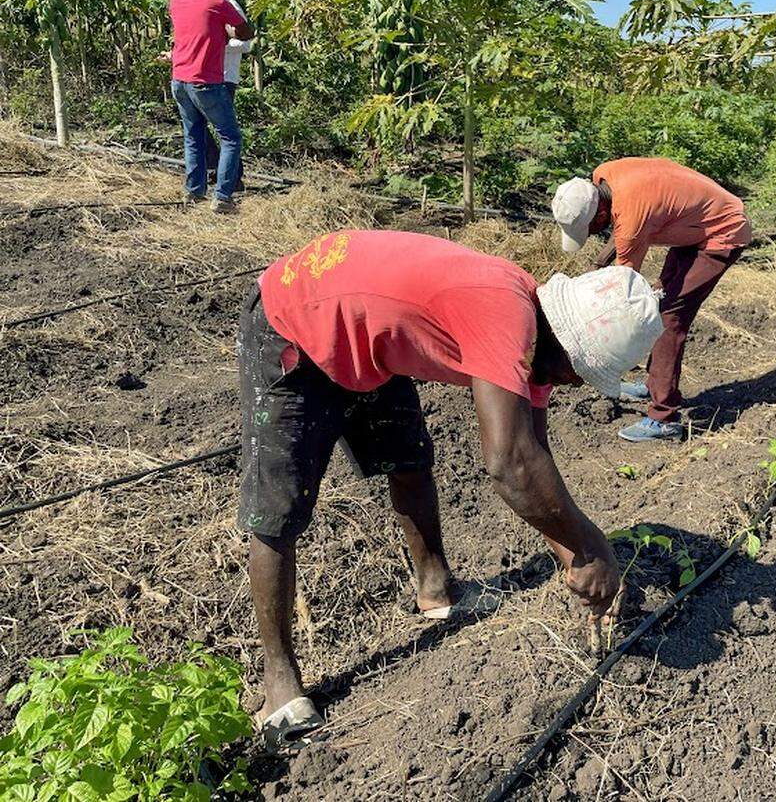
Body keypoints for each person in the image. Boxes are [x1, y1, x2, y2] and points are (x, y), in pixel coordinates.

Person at [240, 229, 663, 753]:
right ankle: (278, 680)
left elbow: (535, 453)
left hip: (367, 340)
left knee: (411, 462)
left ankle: (436, 591)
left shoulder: (542, 341)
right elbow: (509, 463)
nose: (575, 386)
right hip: (296, 323)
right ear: (566, 344)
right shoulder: (507, 319)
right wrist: (591, 547)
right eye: (580, 374)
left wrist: (571, 555)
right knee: (280, 510)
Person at [552, 158, 753, 442]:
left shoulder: (631, 216)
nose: (595, 234)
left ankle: (664, 417)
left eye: (590, 229)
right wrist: (597, 267)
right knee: (659, 305)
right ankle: (653, 384)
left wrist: (591, 329)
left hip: (721, 232)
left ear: (599, 215)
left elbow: (622, 290)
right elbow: (621, 223)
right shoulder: (604, 176)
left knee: (669, 318)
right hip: (693, 226)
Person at [168, 0, 253, 213]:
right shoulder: (218, 2)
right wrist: (228, 32)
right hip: (205, 80)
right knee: (231, 138)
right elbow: (247, 31)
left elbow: (196, 30)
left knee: (193, 136)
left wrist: (220, 35)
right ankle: (223, 197)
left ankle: (194, 192)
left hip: (179, 78)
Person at [203, 0, 253, 192]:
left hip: (224, 77)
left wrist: (217, 45)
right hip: (203, 75)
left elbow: (245, 44)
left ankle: (233, 177)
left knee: (225, 131)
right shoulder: (203, 3)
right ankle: (220, 170)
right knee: (200, 127)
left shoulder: (228, 4)